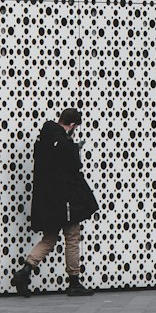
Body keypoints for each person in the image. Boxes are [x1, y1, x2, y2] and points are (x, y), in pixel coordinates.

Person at [12, 107, 99, 297]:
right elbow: (74, 167)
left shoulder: (43, 141)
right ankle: (74, 282)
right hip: (66, 202)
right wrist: (74, 149)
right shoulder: (64, 143)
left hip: (48, 202)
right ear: (73, 125)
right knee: (72, 238)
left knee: (49, 239)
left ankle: (25, 271)